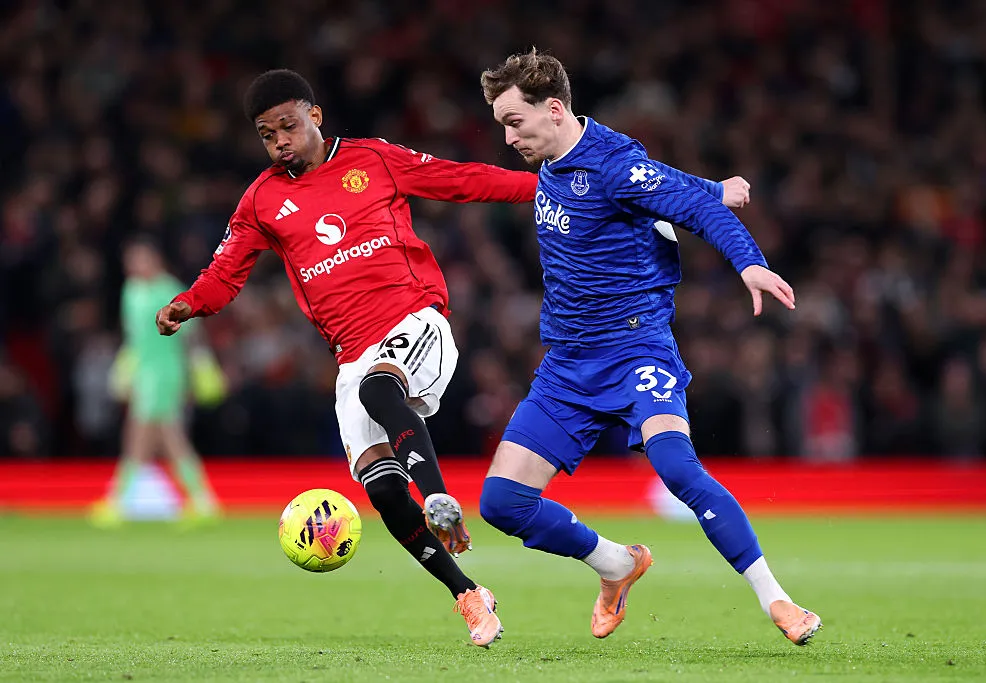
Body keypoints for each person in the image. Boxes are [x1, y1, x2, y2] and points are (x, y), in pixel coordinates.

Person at [155, 69, 538, 647]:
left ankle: (437, 496)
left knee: (381, 389)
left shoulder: (373, 160)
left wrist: (547, 189)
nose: (280, 141)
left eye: (288, 125)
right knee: (383, 490)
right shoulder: (262, 199)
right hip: (350, 358)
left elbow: (459, 180)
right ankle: (468, 595)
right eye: (266, 134)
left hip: (416, 321)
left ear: (316, 116)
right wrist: (187, 303)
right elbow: (225, 273)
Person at [476, 49, 821, 645]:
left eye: (514, 122)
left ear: (553, 110)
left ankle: (779, 602)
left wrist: (749, 264)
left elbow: (686, 207)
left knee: (675, 467)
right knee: (502, 502)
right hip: (566, 366)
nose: (508, 138)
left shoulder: (610, 162)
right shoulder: (558, 165)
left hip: (637, 350)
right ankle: (615, 563)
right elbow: (671, 186)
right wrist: (716, 184)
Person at [92, 237, 220, 526]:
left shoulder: (168, 290)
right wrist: (125, 371)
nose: (135, 266)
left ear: (155, 260)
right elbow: (133, 339)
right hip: (144, 372)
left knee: (139, 436)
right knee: (169, 440)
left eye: (141, 259)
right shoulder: (131, 292)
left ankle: (118, 502)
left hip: (165, 372)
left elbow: (191, 336)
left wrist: (198, 371)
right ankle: (203, 500)